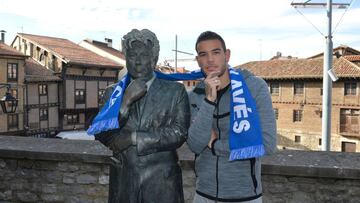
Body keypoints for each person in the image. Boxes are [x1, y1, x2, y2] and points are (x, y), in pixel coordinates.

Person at [94, 29, 189, 203]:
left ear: (154, 59)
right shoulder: (112, 94)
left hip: (162, 184)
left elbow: (179, 133)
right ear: (125, 58)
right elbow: (101, 133)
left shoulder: (175, 91)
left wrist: (133, 138)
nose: (137, 61)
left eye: (144, 55)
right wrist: (125, 103)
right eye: (132, 55)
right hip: (124, 183)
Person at [187, 31, 277, 203]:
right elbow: (195, 145)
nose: (210, 60)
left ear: (227, 55)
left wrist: (215, 145)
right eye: (203, 54)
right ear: (198, 60)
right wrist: (209, 100)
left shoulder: (254, 87)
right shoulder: (195, 95)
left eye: (216, 52)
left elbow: (267, 143)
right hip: (203, 193)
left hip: (244, 196)